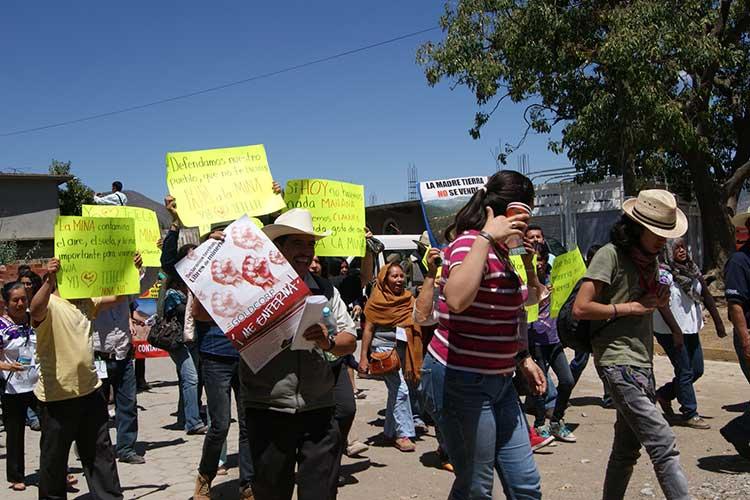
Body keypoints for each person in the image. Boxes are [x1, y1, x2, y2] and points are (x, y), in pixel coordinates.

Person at [420, 170, 547, 499]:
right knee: (476, 487)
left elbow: (527, 303)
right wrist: (486, 238)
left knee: (525, 484)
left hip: (501, 382)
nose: (526, 224)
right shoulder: (468, 245)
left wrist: (524, 359)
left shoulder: (505, 255)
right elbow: (458, 299)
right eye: (523, 214)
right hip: (461, 380)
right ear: (507, 212)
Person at [572, 189, 690, 499]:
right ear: (637, 227)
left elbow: (645, 304)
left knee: (626, 451)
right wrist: (630, 308)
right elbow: (581, 307)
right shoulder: (609, 255)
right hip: (616, 361)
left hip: (641, 362)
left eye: (666, 234)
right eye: (657, 233)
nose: (663, 241)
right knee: (663, 444)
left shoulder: (650, 261)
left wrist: (657, 303)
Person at [239, 208, 357, 500]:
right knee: (271, 492)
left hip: (319, 409)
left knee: (320, 493)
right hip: (269, 408)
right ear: (279, 249)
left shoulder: (326, 292)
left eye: (311, 244)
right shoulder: (252, 290)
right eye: (297, 244)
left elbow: (349, 338)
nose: (306, 252)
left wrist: (327, 342)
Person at [160, 196, 254, 500]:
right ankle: (205, 476)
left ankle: (248, 484)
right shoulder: (201, 269)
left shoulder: (247, 269)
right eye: (221, 239)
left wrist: (275, 202)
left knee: (249, 424)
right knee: (220, 424)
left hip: (247, 354)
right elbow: (168, 264)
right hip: (215, 356)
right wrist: (178, 225)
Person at [30, 257, 124, 500]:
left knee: (100, 452)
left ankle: (109, 497)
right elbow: (36, 309)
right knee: (54, 459)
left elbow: (119, 296)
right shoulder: (50, 303)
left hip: (91, 391)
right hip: (57, 397)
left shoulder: (86, 302)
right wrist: (48, 283)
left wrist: (132, 268)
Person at [653, 238, 726, 429]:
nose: (682, 251)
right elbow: (661, 305)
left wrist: (718, 323)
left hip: (690, 328)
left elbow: (706, 296)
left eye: (683, 247)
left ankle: (665, 394)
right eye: (676, 248)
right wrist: (676, 331)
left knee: (697, 370)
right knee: (684, 370)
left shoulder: (692, 270)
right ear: (668, 252)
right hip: (670, 331)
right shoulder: (663, 274)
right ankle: (689, 413)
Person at [93, 253, 149, 465]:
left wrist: (145, 262)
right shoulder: (90, 289)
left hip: (123, 354)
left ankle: (126, 448)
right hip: (98, 355)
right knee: (95, 408)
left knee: (128, 403)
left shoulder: (128, 286)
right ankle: (93, 447)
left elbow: (149, 280)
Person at [359, 262, 421, 452]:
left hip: (404, 349)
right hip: (384, 350)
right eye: (394, 276)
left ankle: (389, 432)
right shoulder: (376, 300)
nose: (399, 280)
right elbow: (368, 330)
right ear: (385, 279)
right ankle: (403, 435)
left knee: (396, 391)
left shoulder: (409, 299)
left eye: (401, 276)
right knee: (401, 390)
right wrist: (363, 357)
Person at [528, 245, 577, 443]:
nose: (539, 264)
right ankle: (540, 424)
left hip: (554, 339)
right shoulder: (526, 281)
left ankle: (556, 421)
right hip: (535, 340)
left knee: (567, 380)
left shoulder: (554, 277)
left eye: (541, 259)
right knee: (540, 385)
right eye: (535, 260)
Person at [162, 248, 207, 436]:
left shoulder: (196, 283)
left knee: (190, 380)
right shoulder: (173, 291)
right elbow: (176, 312)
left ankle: (184, 416)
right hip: (179, 341)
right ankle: (193, 422)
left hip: (193, 338)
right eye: (190, 254)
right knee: (191, 378)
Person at [1, 282, 40, 491]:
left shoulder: (33, 320)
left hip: (37, 385)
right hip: (12, 388)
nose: (20, 303)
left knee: (53, 429)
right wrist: (8, 365)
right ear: (6, 303)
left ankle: (56, 470)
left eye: (23, 299)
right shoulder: (1, 326)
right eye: (15, 300)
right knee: (15, 434)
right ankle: (16, 476)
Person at [721, 207, 750, 458]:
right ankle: (738, 429)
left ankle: (740, 430)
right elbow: (736, 306)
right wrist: (746, 340)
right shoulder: (739, 262)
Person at [568, 244, 612, 407]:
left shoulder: (607, 278)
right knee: (580, 362)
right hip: (585, 328)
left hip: (601, 328)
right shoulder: (585, 281)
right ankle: (564, 391)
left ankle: (609, 397)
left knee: (605, 364)